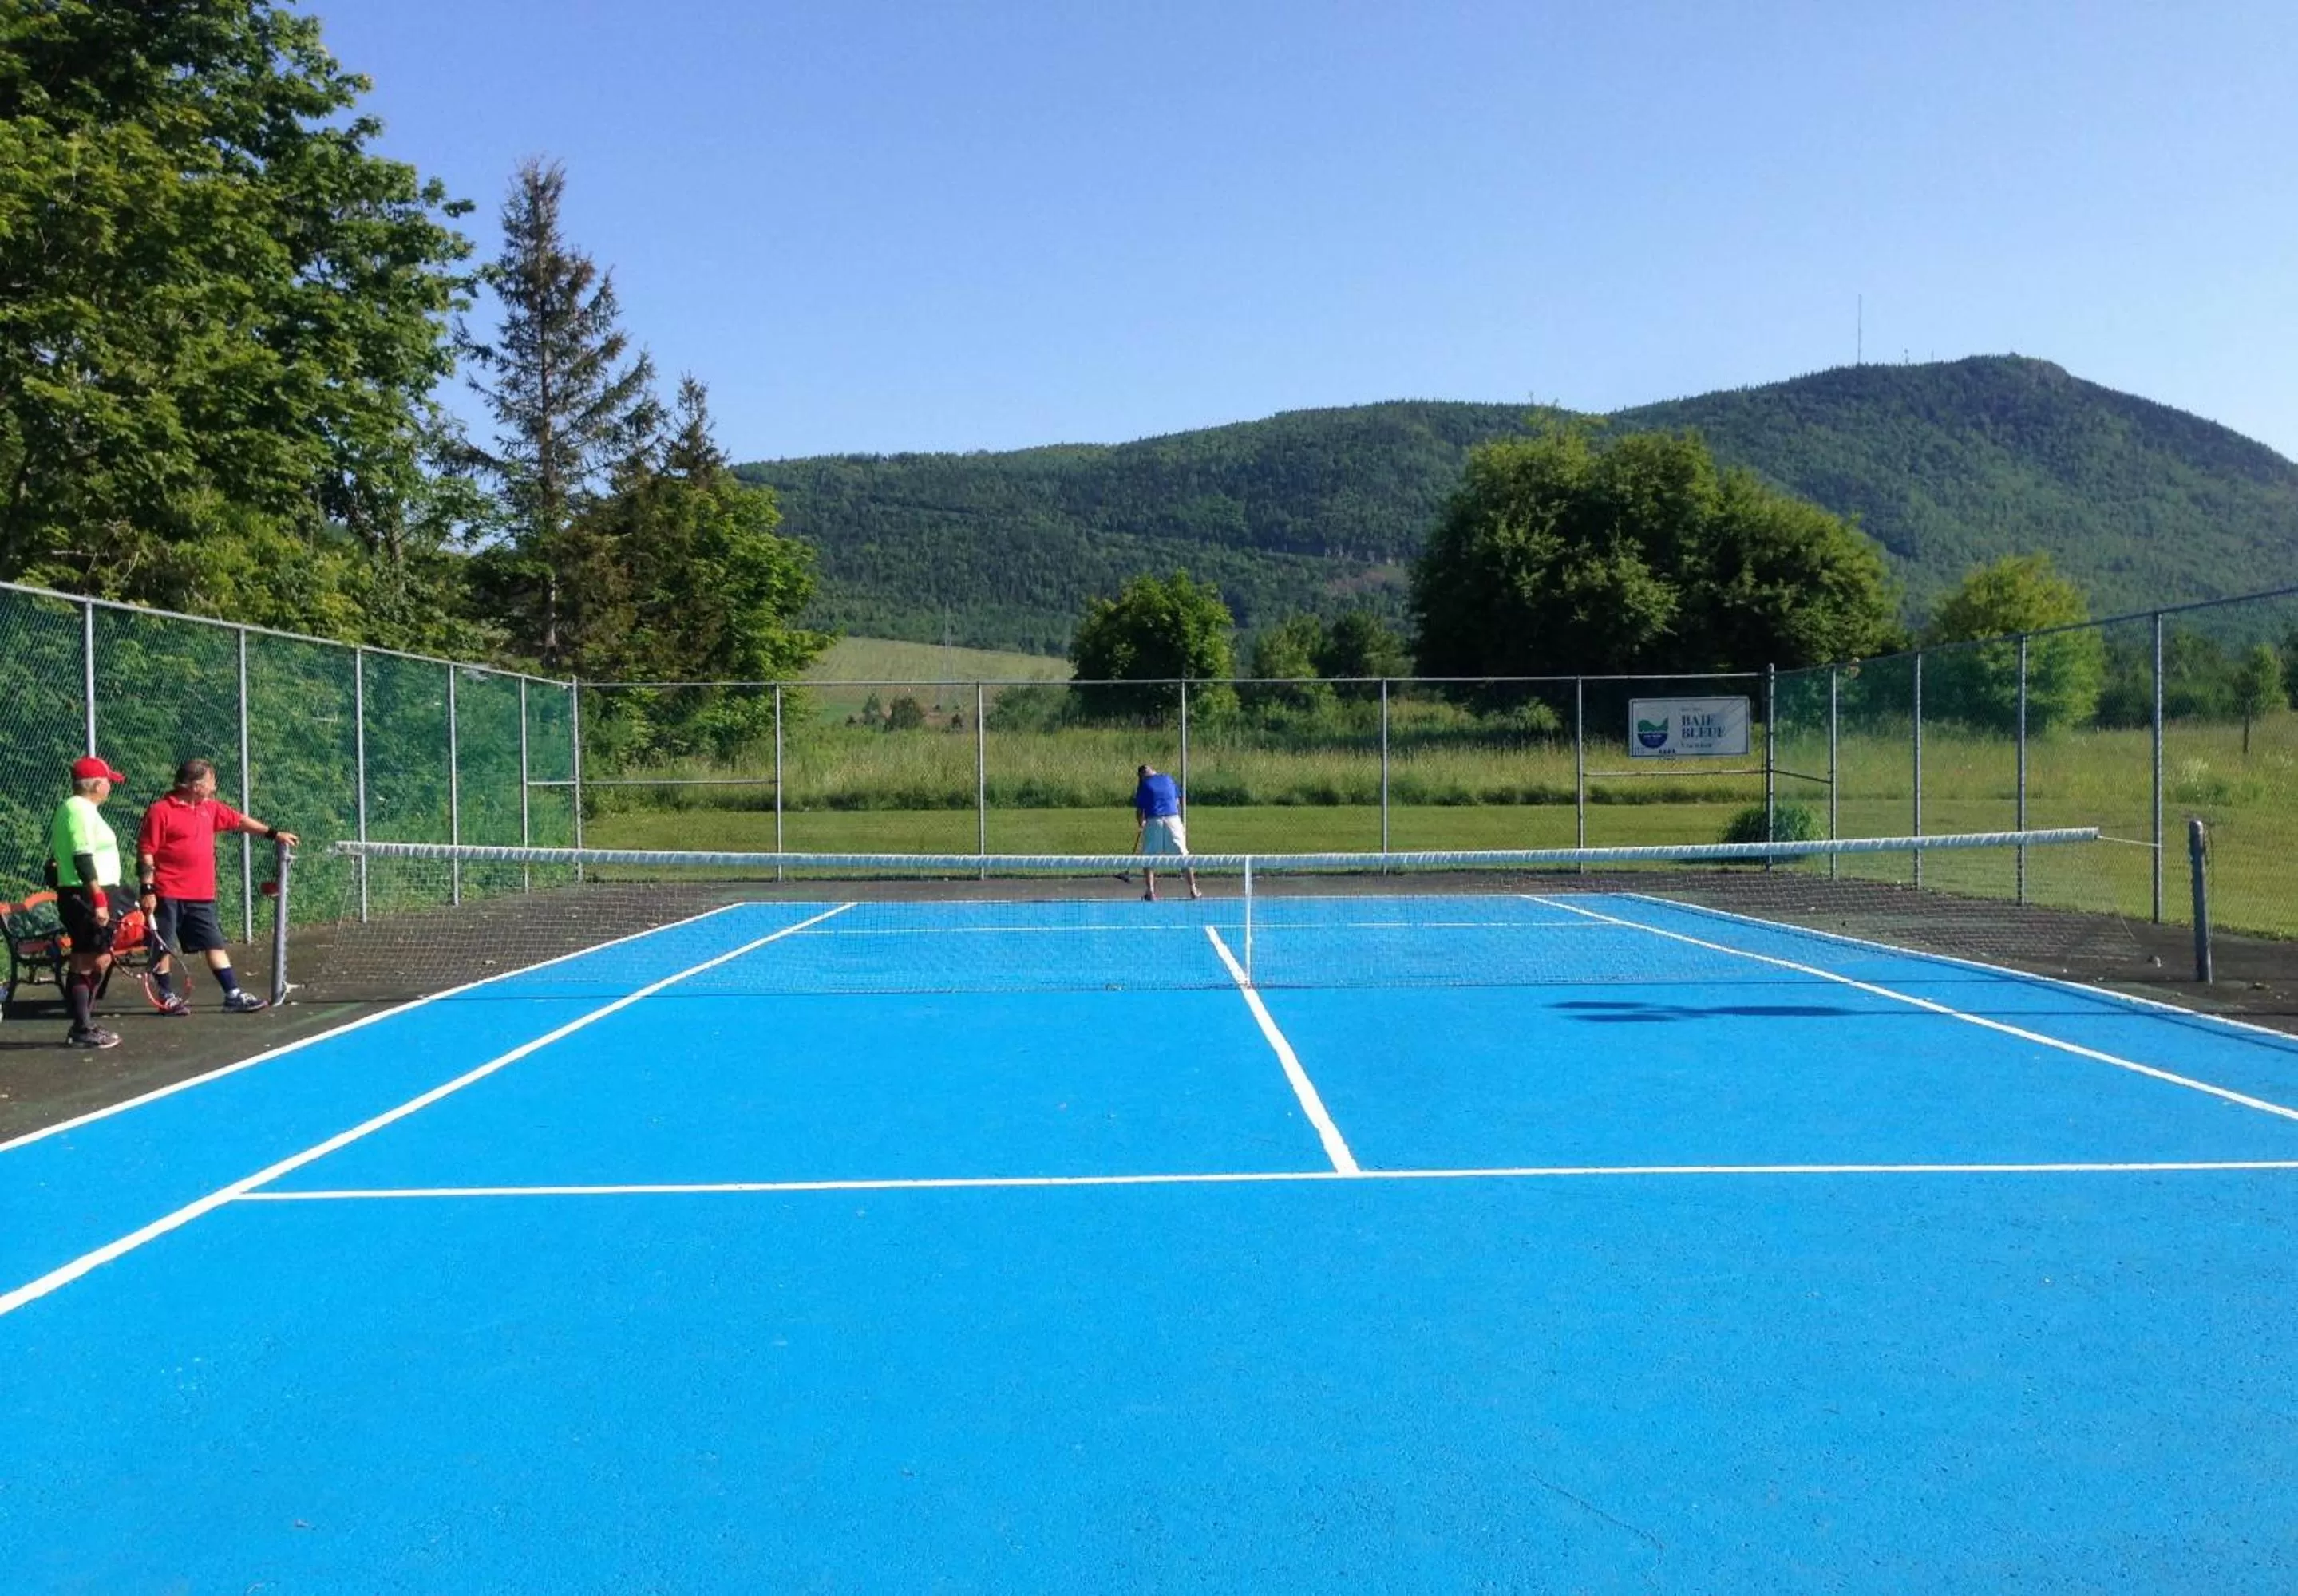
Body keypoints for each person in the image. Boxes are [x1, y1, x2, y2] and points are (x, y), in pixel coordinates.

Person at [136, 758, 298, 1014]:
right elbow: (146, 852)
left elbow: (240, 821)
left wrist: (274, 834)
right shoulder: (160, 811)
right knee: (163, 946)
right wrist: (147, 889)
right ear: (195, 784)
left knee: (214, 943)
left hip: (201, 894)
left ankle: (233, 995)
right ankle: (166, 997)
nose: (215, 786)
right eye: (211, 781)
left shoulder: (209, 808)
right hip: (167, 893)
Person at [48, 754, 128, 1049]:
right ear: (96, 784)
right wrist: (98, 899)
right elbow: (82, 857)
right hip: (85, 895)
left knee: (100, 957)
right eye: (108, 782)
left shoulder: (84, 810)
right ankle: (81, 1028)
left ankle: (84, 1023)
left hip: (95, 892)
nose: (110, 787)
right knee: (86, 958)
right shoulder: (77, 809)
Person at [1130, 762, 1200, 902]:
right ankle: (1193, 889)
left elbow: (1139, 812)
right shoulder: (1168, 779)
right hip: (1173, 819)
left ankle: (1150, 891)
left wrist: (1141, 823)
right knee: (1183, 855)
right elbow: (1177, 802)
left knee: (1148, 858)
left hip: (1153, 820)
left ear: (1142, 775)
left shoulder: (1143, 786)